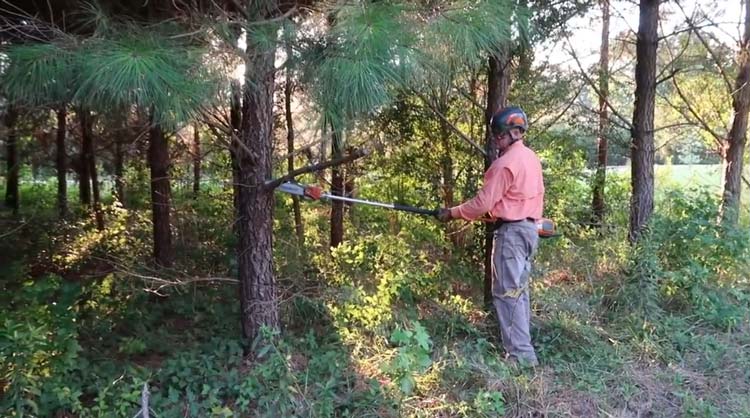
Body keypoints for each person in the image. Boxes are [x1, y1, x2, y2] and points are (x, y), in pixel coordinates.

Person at [437, 106, 544, 366]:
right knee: (518, 292)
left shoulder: (505, 164)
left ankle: (520, 356)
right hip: (529, 231)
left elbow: (481, 204)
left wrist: (452, 213)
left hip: (512, 234)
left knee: (508, 293)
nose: (496, 138)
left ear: (514, 133)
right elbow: (517, 199)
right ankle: (522, 351)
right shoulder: (530, 158)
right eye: (495, 133)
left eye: (499, 133)